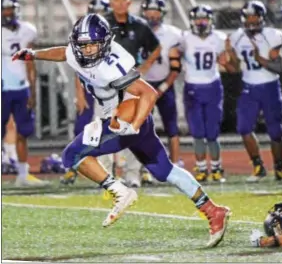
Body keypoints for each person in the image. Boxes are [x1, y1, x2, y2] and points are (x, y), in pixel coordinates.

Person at [12, 13, 231, 247]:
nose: (86, 51)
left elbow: (149, 93)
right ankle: (212, 210)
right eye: (82, 45)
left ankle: (120, 191)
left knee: (71, 156)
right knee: (163, 170)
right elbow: (63, 53)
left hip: (126, 118)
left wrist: (132, 126)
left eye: (92, 45)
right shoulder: (77, 53)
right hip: (124, 119)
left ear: (104, 43)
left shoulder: (111, 66)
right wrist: (34, 55)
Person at [224, 0, 282, 183]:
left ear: (262, 17)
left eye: (255, 16)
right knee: (244, 128)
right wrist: (227, 61)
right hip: (249, 87)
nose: (251, 20)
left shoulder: (273, 35)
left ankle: (279, 169)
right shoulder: (236, 37)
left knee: (275, 131)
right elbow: (235, 69)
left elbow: (278, 66)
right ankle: (258, 166)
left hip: (270, 86)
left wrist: (261, 59)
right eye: (248, 17)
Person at [104, 0, 162, 187]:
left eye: (123, 0)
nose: (120, 4)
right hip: (106, 82)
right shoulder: (102, 24)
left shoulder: (139, 25)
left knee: (131, 128)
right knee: (105, 128)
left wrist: (144, 66)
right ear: (111, 2)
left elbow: (156, 47)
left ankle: (132, 174)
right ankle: (106, 176)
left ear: (129, 3)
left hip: (131, 83)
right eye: (116, 0)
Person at [61, 0, 112, 185]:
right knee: (81, 128)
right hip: (90, 89)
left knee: (108, 132)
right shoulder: (83, 34)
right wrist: (80, 94)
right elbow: (78, 68)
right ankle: (73, 168)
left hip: (107, 92)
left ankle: (108, 171)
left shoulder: (111, 36)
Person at [1, 0, 49, 186]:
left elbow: (30, 63)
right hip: (3, 88)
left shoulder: (27, 30)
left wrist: (33, 90)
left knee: (24, 132)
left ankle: (22, 175)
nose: (7, 13)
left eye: (10, 9)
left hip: (21, 88)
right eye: (4, 9)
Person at [179, 4, 227, 182]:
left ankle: (216, 168)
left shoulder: (220, 38)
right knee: (197, 132)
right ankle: (201, 168)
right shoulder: (184, 38)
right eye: (198, 19)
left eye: (204, 19)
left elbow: (226, 61)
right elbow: (175, 55)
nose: (201, 22)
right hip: (192, 87)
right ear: (192, 21)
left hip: (213, 86)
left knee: (212, 132)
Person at [140, 0, 184, 174]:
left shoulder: (172, 34)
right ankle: (145, 167)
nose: (152, 16)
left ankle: (174, 167)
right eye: (149, 12)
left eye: (155, 12)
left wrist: (163, 88)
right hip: (143, 85)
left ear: (162, 13)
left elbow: (176, 67)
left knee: (172, 128)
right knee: (143, 129)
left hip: (165, 85)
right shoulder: (136, 31)